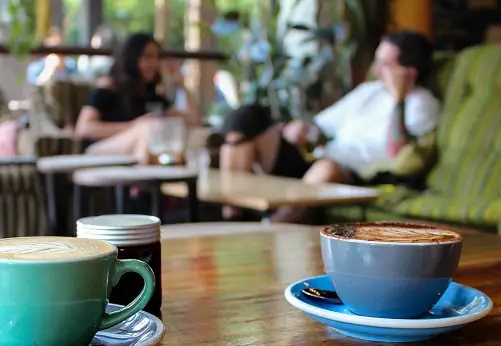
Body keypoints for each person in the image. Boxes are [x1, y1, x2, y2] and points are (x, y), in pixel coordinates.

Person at [218, 30, 441, 223]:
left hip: (355, 173)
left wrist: (398, 99)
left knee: (326, 169)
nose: (375, 69)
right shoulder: (369, 92)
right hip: (317, 155)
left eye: (384, 64)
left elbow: (397, 151)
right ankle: (232, 212)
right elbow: (322, 124)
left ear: (410, 72)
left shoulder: (421, 104)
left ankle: (271, 226)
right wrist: (302, 128)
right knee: (245, 119)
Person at [74, 32, 196, 161]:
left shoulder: (153, 97)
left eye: (156, 58)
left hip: (139, 155)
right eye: (147, 57)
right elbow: (84, 129)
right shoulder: (108, 91)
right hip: (100, 152)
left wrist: (181, 85)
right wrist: (135, 126)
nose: (153, 64)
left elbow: (193, 121)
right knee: (147, 130)